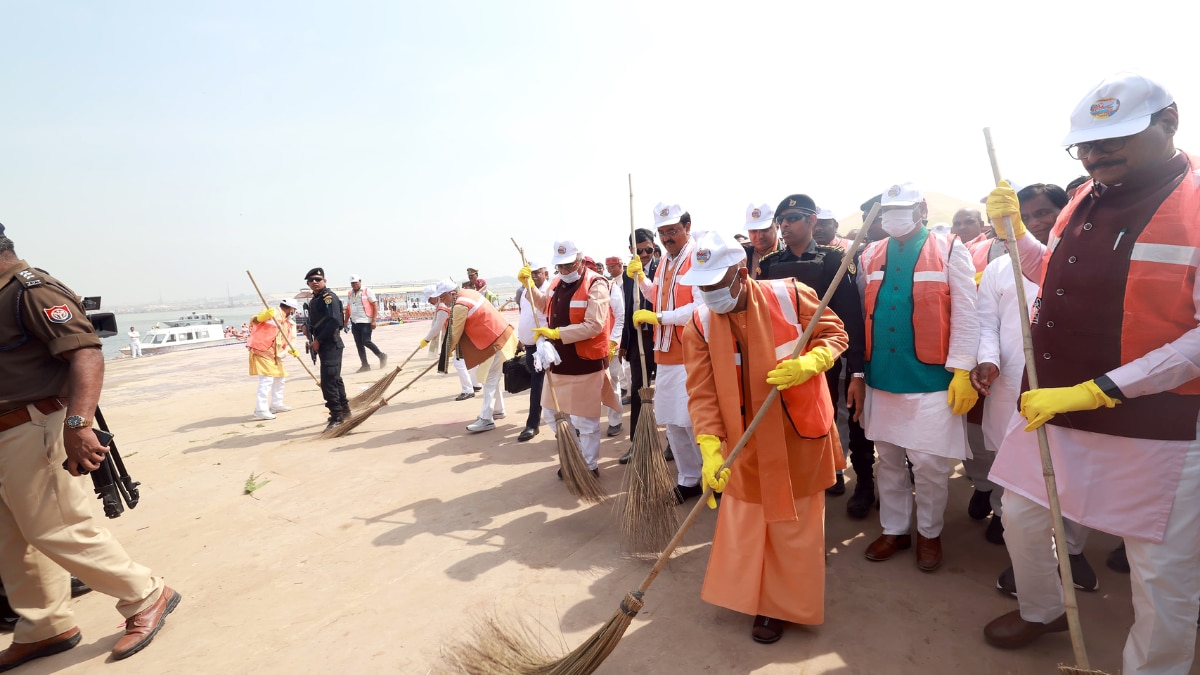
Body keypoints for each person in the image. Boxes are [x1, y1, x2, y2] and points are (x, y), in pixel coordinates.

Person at [981, 72, 1200, 675]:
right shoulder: (1086, 196)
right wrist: (1015, 236)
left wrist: (1104, 389)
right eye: (1086, 145)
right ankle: (1041, 608)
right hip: (1056, 404)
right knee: (1022, 517)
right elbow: (1053, 273)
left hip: (1158, 421)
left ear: (1169, 121)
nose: (1097, 154)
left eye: (1115, 139)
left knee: (1161, 571)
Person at [0, 225, 181, 669]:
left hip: (36, 426)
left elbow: (87, 353)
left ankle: (146, 594)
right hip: (7, 433)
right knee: (13, 539)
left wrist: (77, 426)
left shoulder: (32, 291)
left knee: (59, 527)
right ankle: (45, 626)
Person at [680, 230, 848, 644]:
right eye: (701, 284)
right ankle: (749, 594)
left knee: (795, 525)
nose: (708, 292)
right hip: (744, 441)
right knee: (748, 521)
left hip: (796, 432)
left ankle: (780, 606)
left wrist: (811, 362)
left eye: (716, 282)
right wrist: (708, 448)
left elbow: (835, 333)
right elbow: (701, 393)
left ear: (741, 272)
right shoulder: (699, 325)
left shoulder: (790, 295)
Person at [968, 182, 1099, 588]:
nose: (1036, 222)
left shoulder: (1090, 262)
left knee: (1070, 475)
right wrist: (988, 358)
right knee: (1018, 472)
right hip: (1011, 385)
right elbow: (985, 322)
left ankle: (1070, 552)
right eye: (1024, 216)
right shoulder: (998, 268)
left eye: (1044, 212)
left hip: (1069, 389)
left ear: (1066, 214)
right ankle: (1029, 561)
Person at [857, 182, 979, 572]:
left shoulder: (950, 249)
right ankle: (895, 529)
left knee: (929, 465)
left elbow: (966, 313)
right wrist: (860, 373)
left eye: (903, 207)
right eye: (887, 209)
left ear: (921, 207)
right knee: (888, 459)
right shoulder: (870, 254)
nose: (894, 215)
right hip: (882, 376)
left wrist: (962, 368)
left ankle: (929, 532)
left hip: (931, 379)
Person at [755, 194, 866, 497]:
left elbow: (850, 319)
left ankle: (836, 470)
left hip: (823, 355)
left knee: (830, 414)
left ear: (812, 220)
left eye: (792, 219)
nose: (785, 226)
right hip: (781, 357)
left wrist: (858, 371)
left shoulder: (834, 260)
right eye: (781, 222)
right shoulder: (769, 264)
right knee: (785, 416)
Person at [520, 240, 618, 476]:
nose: (564, 271)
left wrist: (557, 334)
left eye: (569, 265)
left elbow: (594, 325)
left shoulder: (596, 284)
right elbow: (545, 306)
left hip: (585, 362)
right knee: (552, 414)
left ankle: (589, 465)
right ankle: (574, 456)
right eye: (560, 267)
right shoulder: (556, 283)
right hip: (559, 363)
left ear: (581, 261)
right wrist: (530, 287)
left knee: (586, 420)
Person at [628, 203, 705, 503]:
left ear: (687, 225)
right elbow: (656, 296)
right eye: (662, 233)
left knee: (694, 421)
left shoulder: (698, 257)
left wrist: (659, 318)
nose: (666, 238)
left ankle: (712, 475)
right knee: (673, 423)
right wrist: (642, 280)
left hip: (692, 352)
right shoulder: (664, 262)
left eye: (672, 231)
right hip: (665, 352)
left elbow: (700, 307)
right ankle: (688, 479)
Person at [444, 277, 517, 433]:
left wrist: (446, 352)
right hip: (500, 335)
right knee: (491, 378)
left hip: (496, 340)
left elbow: (455, 332)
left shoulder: (460, 305)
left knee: (490, 379)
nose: (442, 302)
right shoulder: (469, 293)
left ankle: (486, 419)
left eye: (443, 297)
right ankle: (498, 410)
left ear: (451, 293)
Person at [618, 228, 660, 464]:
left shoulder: (663, 266)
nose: (644, 254)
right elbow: (626, 309)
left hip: (660, 336)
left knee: (664, 390)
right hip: (637, 339)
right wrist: (624, 341)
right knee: (637, 390)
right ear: (631, 250)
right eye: (639, 250)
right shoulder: (627, 273)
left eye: (648, 249)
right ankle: (637, 440)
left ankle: (673, 445)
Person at [304, 267, 350, 431]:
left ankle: (337, 415)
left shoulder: (328, 297)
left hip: (330, 343)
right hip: (324, 344)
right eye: (311, 280)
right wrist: (307, 327)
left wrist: (318, 340)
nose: (315, 282)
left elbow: (334, 321)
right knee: (335, 379)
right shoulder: (315, 299)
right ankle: (344, 409)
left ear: (324, 281)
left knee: (329, 381)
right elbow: (318, 320)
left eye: (318, 279)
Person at [420, 282, 480, 400]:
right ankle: (476, 384)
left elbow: (437, 327)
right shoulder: (448, 303)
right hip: (463, 334)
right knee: (471, 360)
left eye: (429, 300)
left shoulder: (442, 307)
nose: (429, 303)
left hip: (458, 335)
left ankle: (468, 390)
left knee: (459, 362)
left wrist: (426, 340)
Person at [247, 298, 300, 420]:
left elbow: (287, 338)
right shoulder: (272, 312)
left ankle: (276, 404)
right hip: (262, 350)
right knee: (266, 380)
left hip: (276, 354)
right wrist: (262, 317)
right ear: (291, 309)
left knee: (280, 378)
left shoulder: (289, 322)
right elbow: (254, 320)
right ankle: (260, 409)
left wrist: (291, 350)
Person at [515, 263, 550, 442]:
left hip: (544, 345)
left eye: (537, 272)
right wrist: (521, 339)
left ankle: (532, 424)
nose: (534, 276)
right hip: (529, 346)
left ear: (546, 273)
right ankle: (534, 422)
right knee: (537, 385)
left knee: (540, 385)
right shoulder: (524, 292)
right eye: (531, 273)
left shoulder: (549, 290)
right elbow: (525, 317)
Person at [344, 275, 387, 373]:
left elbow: (375, 305)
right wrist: (345, 321)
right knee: (359, 344)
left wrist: (374, 320)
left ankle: (382, 356)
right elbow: (348, 308)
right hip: (355, 321)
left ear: (360, 281)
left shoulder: (367, 291)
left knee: (366, 341)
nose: (354, 285)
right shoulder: (350, 293)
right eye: (352, 283)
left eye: (356, 282)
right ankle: (365, 365)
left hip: (365, 320)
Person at [603, 256, 625, 437]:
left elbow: (620, 316)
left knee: (612, 383)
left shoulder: (611, 288)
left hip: (610, 346)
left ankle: (615, 421)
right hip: (589, 348)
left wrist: (613, 341)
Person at [742, 203, 784, 278]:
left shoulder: (789, 255)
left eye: (765, 230)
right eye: (753, 231)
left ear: (777, 227)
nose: (759, 236)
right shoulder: (741, 257)